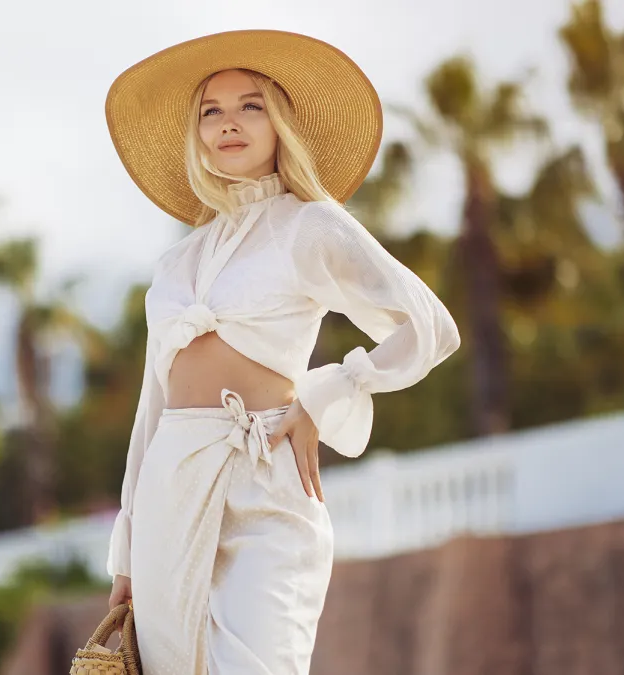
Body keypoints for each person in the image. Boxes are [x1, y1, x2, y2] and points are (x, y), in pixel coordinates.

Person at [102, 29, 460, 674]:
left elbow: (428, 325)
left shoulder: (310, 224)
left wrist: (324, 396)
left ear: (281, 123)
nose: (228, 123)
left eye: (250, 105)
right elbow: (149, 414)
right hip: (167, 491)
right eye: (211, 110)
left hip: (265, 476)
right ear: (196, 133)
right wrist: (127, 554)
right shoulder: (174, 264)